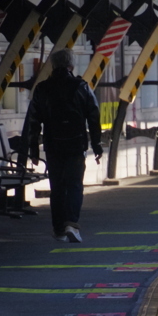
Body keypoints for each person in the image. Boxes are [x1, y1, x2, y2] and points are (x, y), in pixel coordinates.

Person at [23, 48, 103, 242]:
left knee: (57, 187)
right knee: (75, 185)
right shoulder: (82, 87)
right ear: (71, 65)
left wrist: (33, 150)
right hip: (76, 144)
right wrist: (97, 145)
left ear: (52, 65)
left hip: (53, 145)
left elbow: (33, 122)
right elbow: (94, 116)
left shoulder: (42, 88)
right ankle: (72, 224)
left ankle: (58, 229)